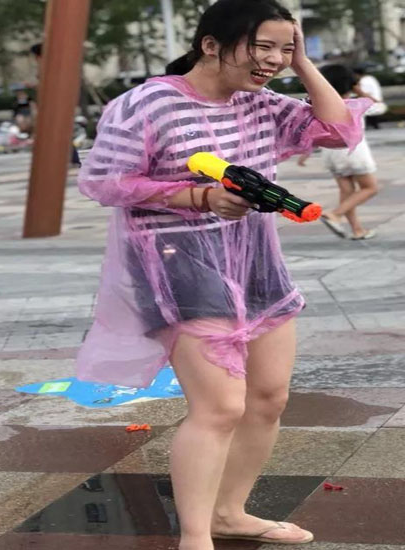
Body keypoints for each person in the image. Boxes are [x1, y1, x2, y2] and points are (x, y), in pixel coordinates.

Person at [76, 1, 371, 548]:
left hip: (256, 259)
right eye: (262, 47)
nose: (273, 60)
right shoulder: (146, 104)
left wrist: (303, 63)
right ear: (210, 44)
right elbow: (104, 181)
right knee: (219, 407)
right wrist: (199, 197)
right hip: (176, 261)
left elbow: (337, 130)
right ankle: (195, 536)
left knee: (268, 397)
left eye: (284, 49)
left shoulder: (262, 102)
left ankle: (229, 514)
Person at [318, 64, 380, 240]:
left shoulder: (322, 103)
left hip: (330, 152)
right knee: (370, 188)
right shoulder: (354, 103)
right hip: (354, 151)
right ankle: (335, 214)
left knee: (347, 191)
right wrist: (359, 90)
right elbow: (377, 106)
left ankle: (357, 230)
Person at [353, 65, 387, 129]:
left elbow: (364, 95)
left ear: (356, 74)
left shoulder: (363, 81)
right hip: (379, 104)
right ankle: (373, 123)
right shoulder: (371, 78)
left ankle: (360, 127)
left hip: (375, 105)